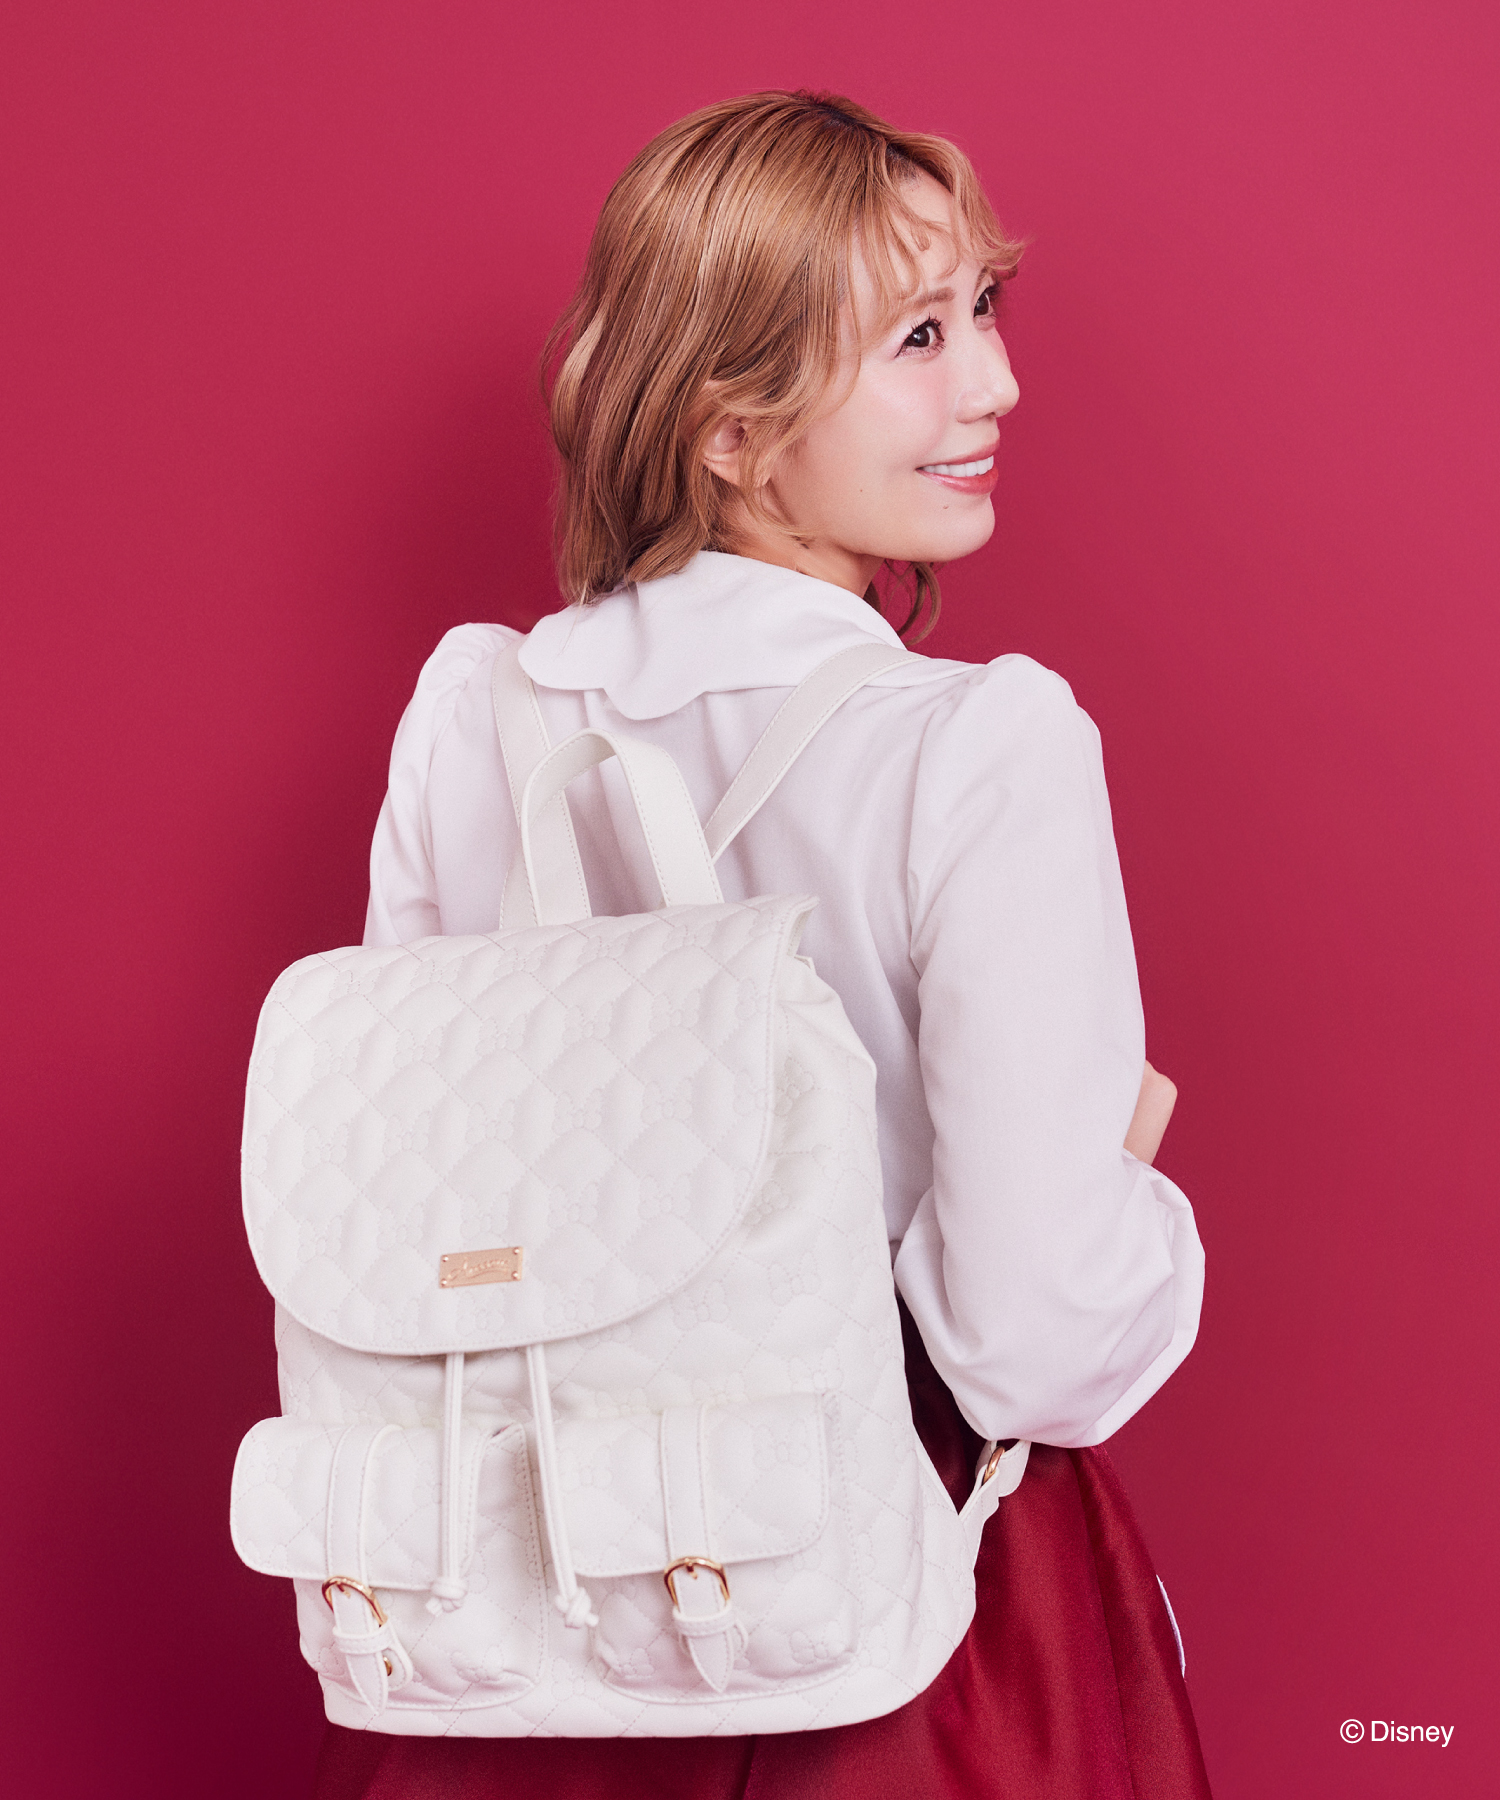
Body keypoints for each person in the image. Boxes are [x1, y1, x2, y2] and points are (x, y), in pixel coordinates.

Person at [315, 90, 1210, 1800]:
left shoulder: (472, 717)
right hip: (888, 1602)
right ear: (732, 428)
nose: (996, 384)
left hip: (528, 1602)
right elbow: (1030, 1341)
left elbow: (429, 1230)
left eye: (985, 311)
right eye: (919, 338)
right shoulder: (980, 748)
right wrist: (1124, 1183)